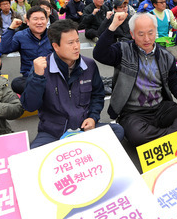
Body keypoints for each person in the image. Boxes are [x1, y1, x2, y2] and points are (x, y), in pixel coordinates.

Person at [93, 12, 177, 147]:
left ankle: (158, 136)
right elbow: (99, 54)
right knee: (136, 134)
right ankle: (171, 136)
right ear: (132, 34)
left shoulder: (166, 55)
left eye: (150, 33)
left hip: (161, 108)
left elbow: (174, 81)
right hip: (133, 112)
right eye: (141, 34)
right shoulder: (123, 50)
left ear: (155, 31)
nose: (146, 39)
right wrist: (113, 25)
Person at [20, 20, 124, 148]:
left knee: (117, 131)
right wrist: (37, 77)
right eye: (70, 43)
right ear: (56, 46)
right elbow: (30, 106)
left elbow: (97, 95)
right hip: (53, 133)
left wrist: (92, 118)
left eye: (77, 41)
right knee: (34, 155)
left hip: (84, 128)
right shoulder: (41, 68)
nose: (76, 46)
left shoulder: (89, 65)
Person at [0, 6, 52, 94]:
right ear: (27, 22)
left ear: (47, 20)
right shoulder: (20, 36)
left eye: (42, 19)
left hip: (51, 76)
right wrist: (11, 28)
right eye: (35, 19)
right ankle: (46, 92)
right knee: (16, 83)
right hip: (30, 77)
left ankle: (41, 92)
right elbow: (4, 49)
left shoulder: (54, 35)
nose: (39, 22)